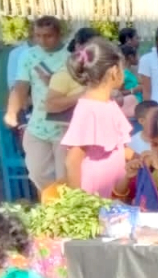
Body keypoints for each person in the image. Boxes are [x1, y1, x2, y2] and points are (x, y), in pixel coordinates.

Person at [61, 38, 134, 197]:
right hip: (93, 194)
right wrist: (78, 202)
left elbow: (118, 147)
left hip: (113, 190)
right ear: (114, 71)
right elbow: (73, 160)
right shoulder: (88, 109)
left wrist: (139, 158)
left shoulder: (109, 104)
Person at [4, 17, 68, 190]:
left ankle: (64, 210)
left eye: (48, 36)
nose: (42, 40)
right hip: (38, 124)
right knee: (37, 172)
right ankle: (51, 206)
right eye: (38, 36)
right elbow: (21, 86)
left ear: (59, 34)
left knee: (65, 177)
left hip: (65, 127)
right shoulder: (28, 55)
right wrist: (11, 112)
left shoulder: (71, 56)